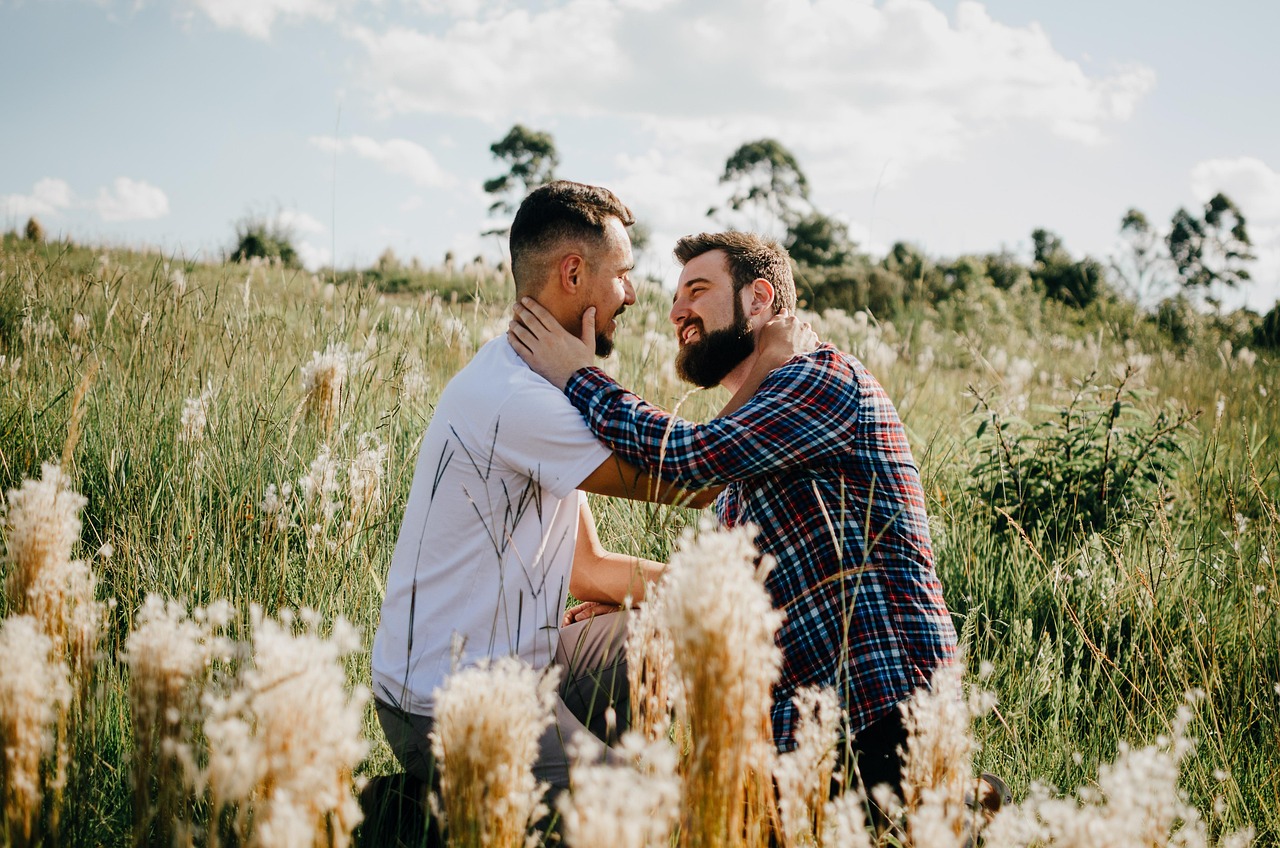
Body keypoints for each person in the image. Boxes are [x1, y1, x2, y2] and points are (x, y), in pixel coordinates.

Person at [370, 186, 806, 805]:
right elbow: (696, 480)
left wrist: (731, 603)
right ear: (573, 274)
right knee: (640, 815)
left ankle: (553, 781)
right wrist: (768, 362)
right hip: (447, 701)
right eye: (622, 275)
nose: (632, 294)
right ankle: (421, 812)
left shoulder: (536, 385)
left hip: (523, 663)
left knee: (659, 630)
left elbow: (587, 569)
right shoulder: (515, 399)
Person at [508, 231, 959, 800]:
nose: (676, 311)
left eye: (697, 290)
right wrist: (636, 597)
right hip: (807, 739)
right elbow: (733, 592)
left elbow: (690, 460)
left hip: (881, 713)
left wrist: (578, 373)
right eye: (676, 298)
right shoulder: (746, 465)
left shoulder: (818, 379)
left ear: (759, 298)